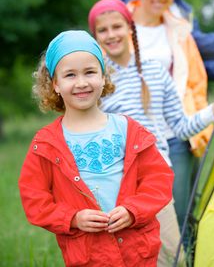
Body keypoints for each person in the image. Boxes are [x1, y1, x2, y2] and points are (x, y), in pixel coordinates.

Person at [88, 0, 214, 265]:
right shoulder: (95, 81)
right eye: (102, 30)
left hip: (155, 181)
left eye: (116, 26)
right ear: (95, 36)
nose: (111, 35)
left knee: (170, 258)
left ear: (129, 28)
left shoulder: (155, 71)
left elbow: (181, 126)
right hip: (115, 186)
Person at [18, 30, 174, 267]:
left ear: (104, 77)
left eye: (90, 72)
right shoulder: (47, 144)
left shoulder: (129, 130)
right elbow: (34, 199)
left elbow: (158, 181)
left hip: (137, 251)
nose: (81, 82)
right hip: (89, 255)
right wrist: (72, 218)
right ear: (55, 84)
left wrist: (133, 210)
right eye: (70, 75)